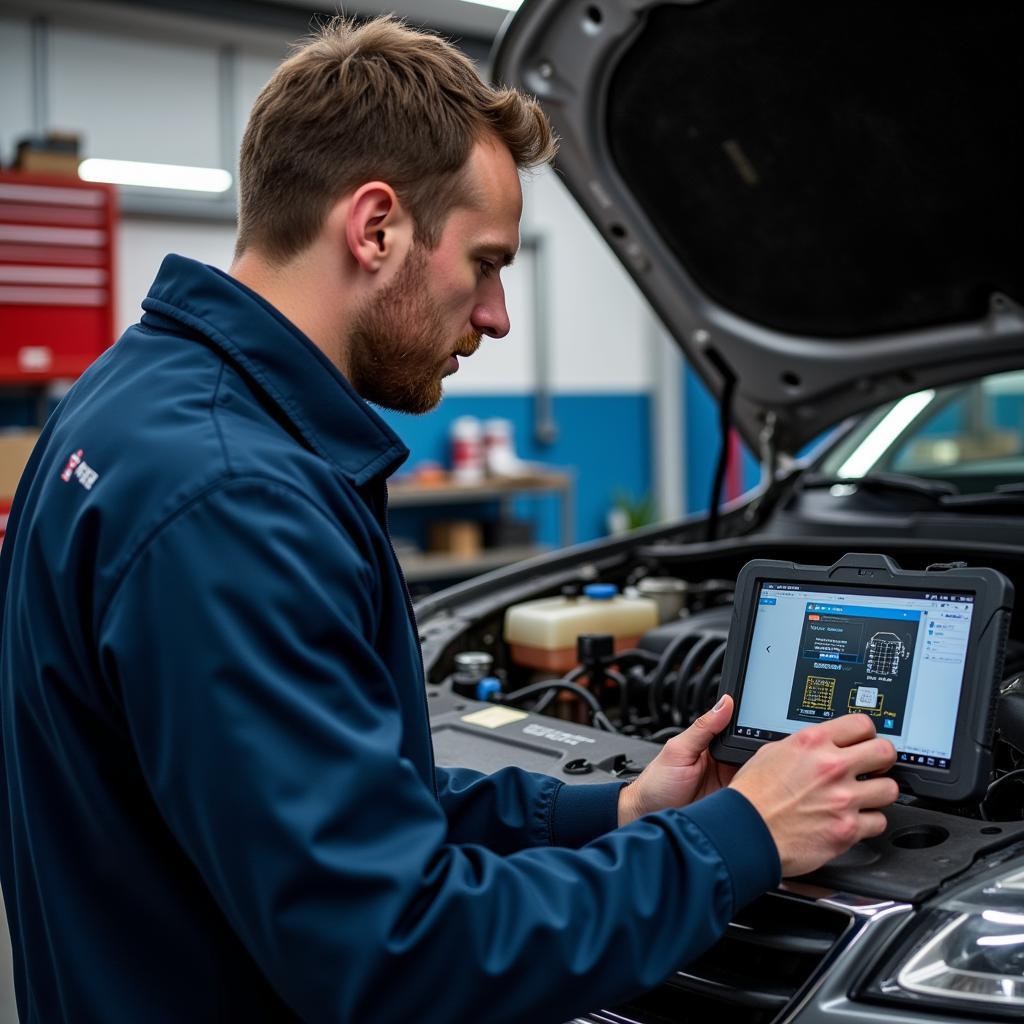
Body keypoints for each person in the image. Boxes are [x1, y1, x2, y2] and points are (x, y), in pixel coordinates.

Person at [0, 16, 898, 1024]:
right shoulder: (233, 501)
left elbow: (350, 804)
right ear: (376, 227)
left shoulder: (132, 399)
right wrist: (742, 834)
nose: (497, 313)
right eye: (484, 262)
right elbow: (401, 954)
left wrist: (615, 808)